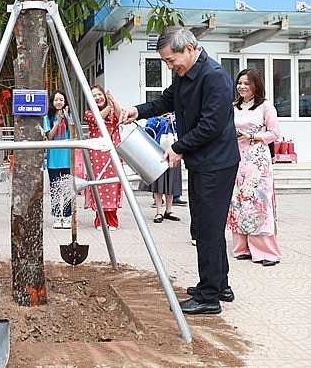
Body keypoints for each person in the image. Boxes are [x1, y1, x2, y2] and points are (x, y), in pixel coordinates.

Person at [120, 26, 240, 315]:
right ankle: (219, 284)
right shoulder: (185, 74)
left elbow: (211, 125)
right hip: (202, 161)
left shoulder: (215, 77)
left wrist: (179, 147)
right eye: (165, 62)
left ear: (189, 48)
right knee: (205, 224)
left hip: (217, 162)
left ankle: (209, 296)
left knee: (208, 228)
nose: (170, 66)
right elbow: (167, 101)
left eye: (171, 60)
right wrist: (138, 110)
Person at [228, 69, 282, 266]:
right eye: (239, 83)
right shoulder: (233, 106)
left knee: (258, 202)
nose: (242, 86)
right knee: (239, 202)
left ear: (256, 86)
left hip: (258, 159)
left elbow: (274, 133)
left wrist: (253, 137)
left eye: (247, 83)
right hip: (236, 158)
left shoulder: (266, 107)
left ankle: (266, 252)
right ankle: (242, 248)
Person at [83, 85, 123, 230]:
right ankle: (100, 219)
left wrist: (114, 102)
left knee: (113, 184)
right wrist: (110, 106)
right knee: (98, 185)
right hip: (97, 154)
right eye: (94, 96)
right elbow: (98, 118)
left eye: (100, 94)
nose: (98, 97)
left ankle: (112, 220)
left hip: (113, 153)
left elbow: (121, 117)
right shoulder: (88, 113)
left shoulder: (113, 109)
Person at [141, 113, 183, 224]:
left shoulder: (176, 115)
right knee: (158, 183)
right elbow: (148, 131)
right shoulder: (155, 117)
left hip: (174, 151)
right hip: (157, 152)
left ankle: (169, 210)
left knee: (172, 181)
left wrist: (172, 120)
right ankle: (158, 211)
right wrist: (160, 119)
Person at [43, 89, 75, 229]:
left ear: (65, 101)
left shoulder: (70, 116)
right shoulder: (47, 117)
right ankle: (57, 216)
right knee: (55, 188)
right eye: (56, 100)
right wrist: (58, 122)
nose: (58, 102)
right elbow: (49, 137)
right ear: (52, 102)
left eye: (61, 100)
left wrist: (67, 119)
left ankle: (67, 217)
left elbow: (73, 135)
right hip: (53, 159)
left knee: (67, 188)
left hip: (67, 158)